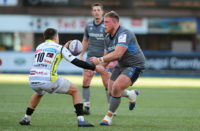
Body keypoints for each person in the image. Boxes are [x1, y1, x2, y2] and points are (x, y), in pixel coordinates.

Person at [19, 28, 102, 127]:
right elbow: (76, 62)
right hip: (48, 80)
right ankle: (81, 120)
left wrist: (64, 48)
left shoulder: (39, 46)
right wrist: (94, 67)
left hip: (33, 79)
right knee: (75, 90)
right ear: (55, 37)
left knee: (39, 93)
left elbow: (51, 53)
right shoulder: (60, 48)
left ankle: (26, 118)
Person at [90, 11, 146, 126]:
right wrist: (94, 68)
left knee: (116, 88)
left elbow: (118, 54)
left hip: (135, 65)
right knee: (111, 91)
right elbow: (106, 59)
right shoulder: (107, 38)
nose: (103, 24)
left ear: (115, 23)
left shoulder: (124, 33)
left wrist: (99, 60)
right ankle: (131, 94)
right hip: (121, 65)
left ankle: (108, 118)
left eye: (106, 22)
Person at [80, 2, 112, 114]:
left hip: (103, 58)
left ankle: (111, 108)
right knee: (86, 80)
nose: (96, 12)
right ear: (92, 12)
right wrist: (81, 54)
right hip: (90, 57)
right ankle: (86, 107)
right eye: (94, 10)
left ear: (102, 12)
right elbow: (85, 40)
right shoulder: (88, 26)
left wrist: (104, 59)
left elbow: (110, 43)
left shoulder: (107, 25)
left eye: (98, 10)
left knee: (106, 82)